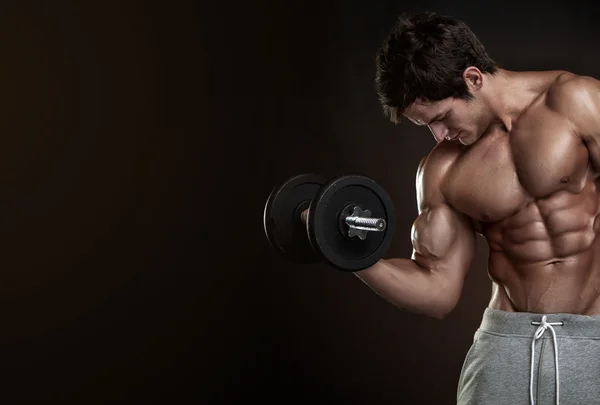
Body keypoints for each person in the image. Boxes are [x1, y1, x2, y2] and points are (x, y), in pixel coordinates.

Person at [321, 11, 600, 405]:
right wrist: (348, 254)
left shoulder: (578, 102)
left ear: (473, 78)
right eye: (426, 126)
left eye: (442, 118)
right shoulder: (443, 169)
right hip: (506, 344)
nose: (439, 135)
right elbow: (437, 290)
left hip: (595, 338)